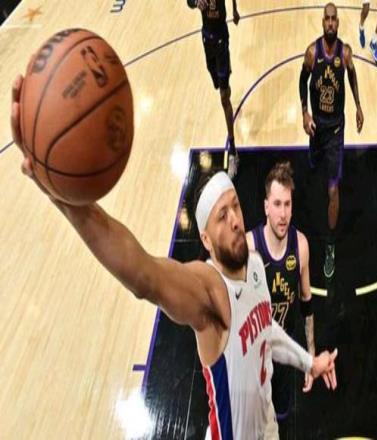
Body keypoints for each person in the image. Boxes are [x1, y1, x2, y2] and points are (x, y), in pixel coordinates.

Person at [11, 75, 338, 440]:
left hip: (267, 428)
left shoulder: (256, 265)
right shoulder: (209, 289)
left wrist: (309, 361)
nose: (234, 219)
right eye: (221, 216)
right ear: (205, 240)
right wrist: (63, 196)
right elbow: (144, 275)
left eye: (234, 206)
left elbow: (267, 332)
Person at [246, 161, 316, 430]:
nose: (283, 213)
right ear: (266, 206)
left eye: (287, 204)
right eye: (277, 204)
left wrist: (310, 353)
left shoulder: (301, 246)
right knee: (254, 419)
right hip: (254, 353)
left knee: (282, 414)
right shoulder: (250, 248)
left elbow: (306, 301)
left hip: (283, 350)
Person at [299, 2, 364, 281]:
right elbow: (302, 80)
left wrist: (358, 106)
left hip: (336, 130)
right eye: (326, 19)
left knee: (333, 189)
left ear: (338, 22)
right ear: (322, 21)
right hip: (317, 129)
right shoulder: (312, 53)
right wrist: (304, 112)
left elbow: (352, 76)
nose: (330, 23)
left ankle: (330, 245)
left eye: (334, 19)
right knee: (313, 169)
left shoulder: (345, 53)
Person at [187, 0, 240, 178]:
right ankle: (225, 84)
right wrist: (196, 3)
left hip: (221, 39)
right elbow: (188, 2)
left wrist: (235, 11)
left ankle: (233, 151)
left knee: (224, 98)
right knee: (217, 84)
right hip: (206, 38)